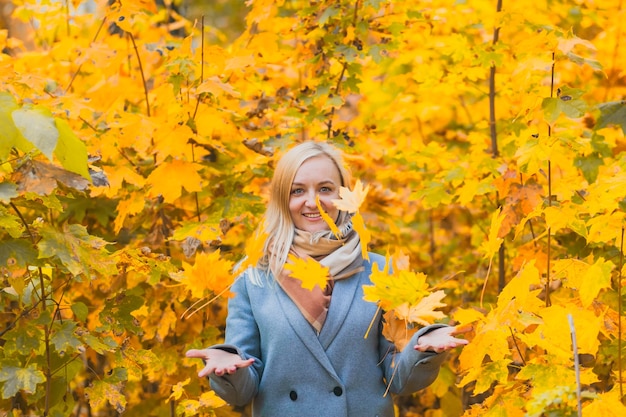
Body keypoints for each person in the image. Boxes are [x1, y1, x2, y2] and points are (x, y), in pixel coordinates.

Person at [186, 141, 468, 417]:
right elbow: (243, 391)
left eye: (325, 189)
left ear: (344, 195)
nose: (313, 202)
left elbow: (399, 379)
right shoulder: (253, 276)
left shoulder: (380, 270)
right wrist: (231, 371)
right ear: (283, 199)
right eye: (298, 190)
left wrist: (424, 351)